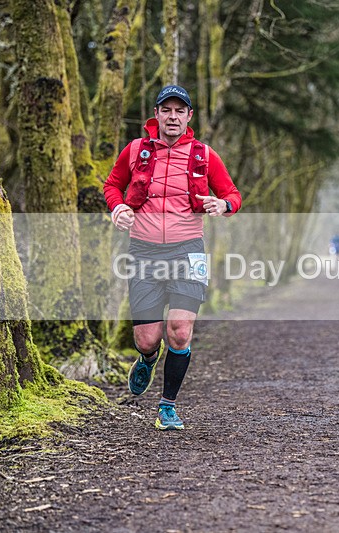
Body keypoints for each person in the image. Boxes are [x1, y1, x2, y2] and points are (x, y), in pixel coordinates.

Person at [104, 85, 241, 430]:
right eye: (167, 110)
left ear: (189, 117)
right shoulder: (135, 150)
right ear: (157, 114)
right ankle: (148, 359)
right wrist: (118, 207)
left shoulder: (204, 155)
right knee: (147, 339)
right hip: (144, 251)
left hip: (188, 249)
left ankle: (167, 407)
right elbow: (111, 185)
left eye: (180, 111)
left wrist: (222, 205)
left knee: (179, 331)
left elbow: (232, 194)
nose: (173, 117)